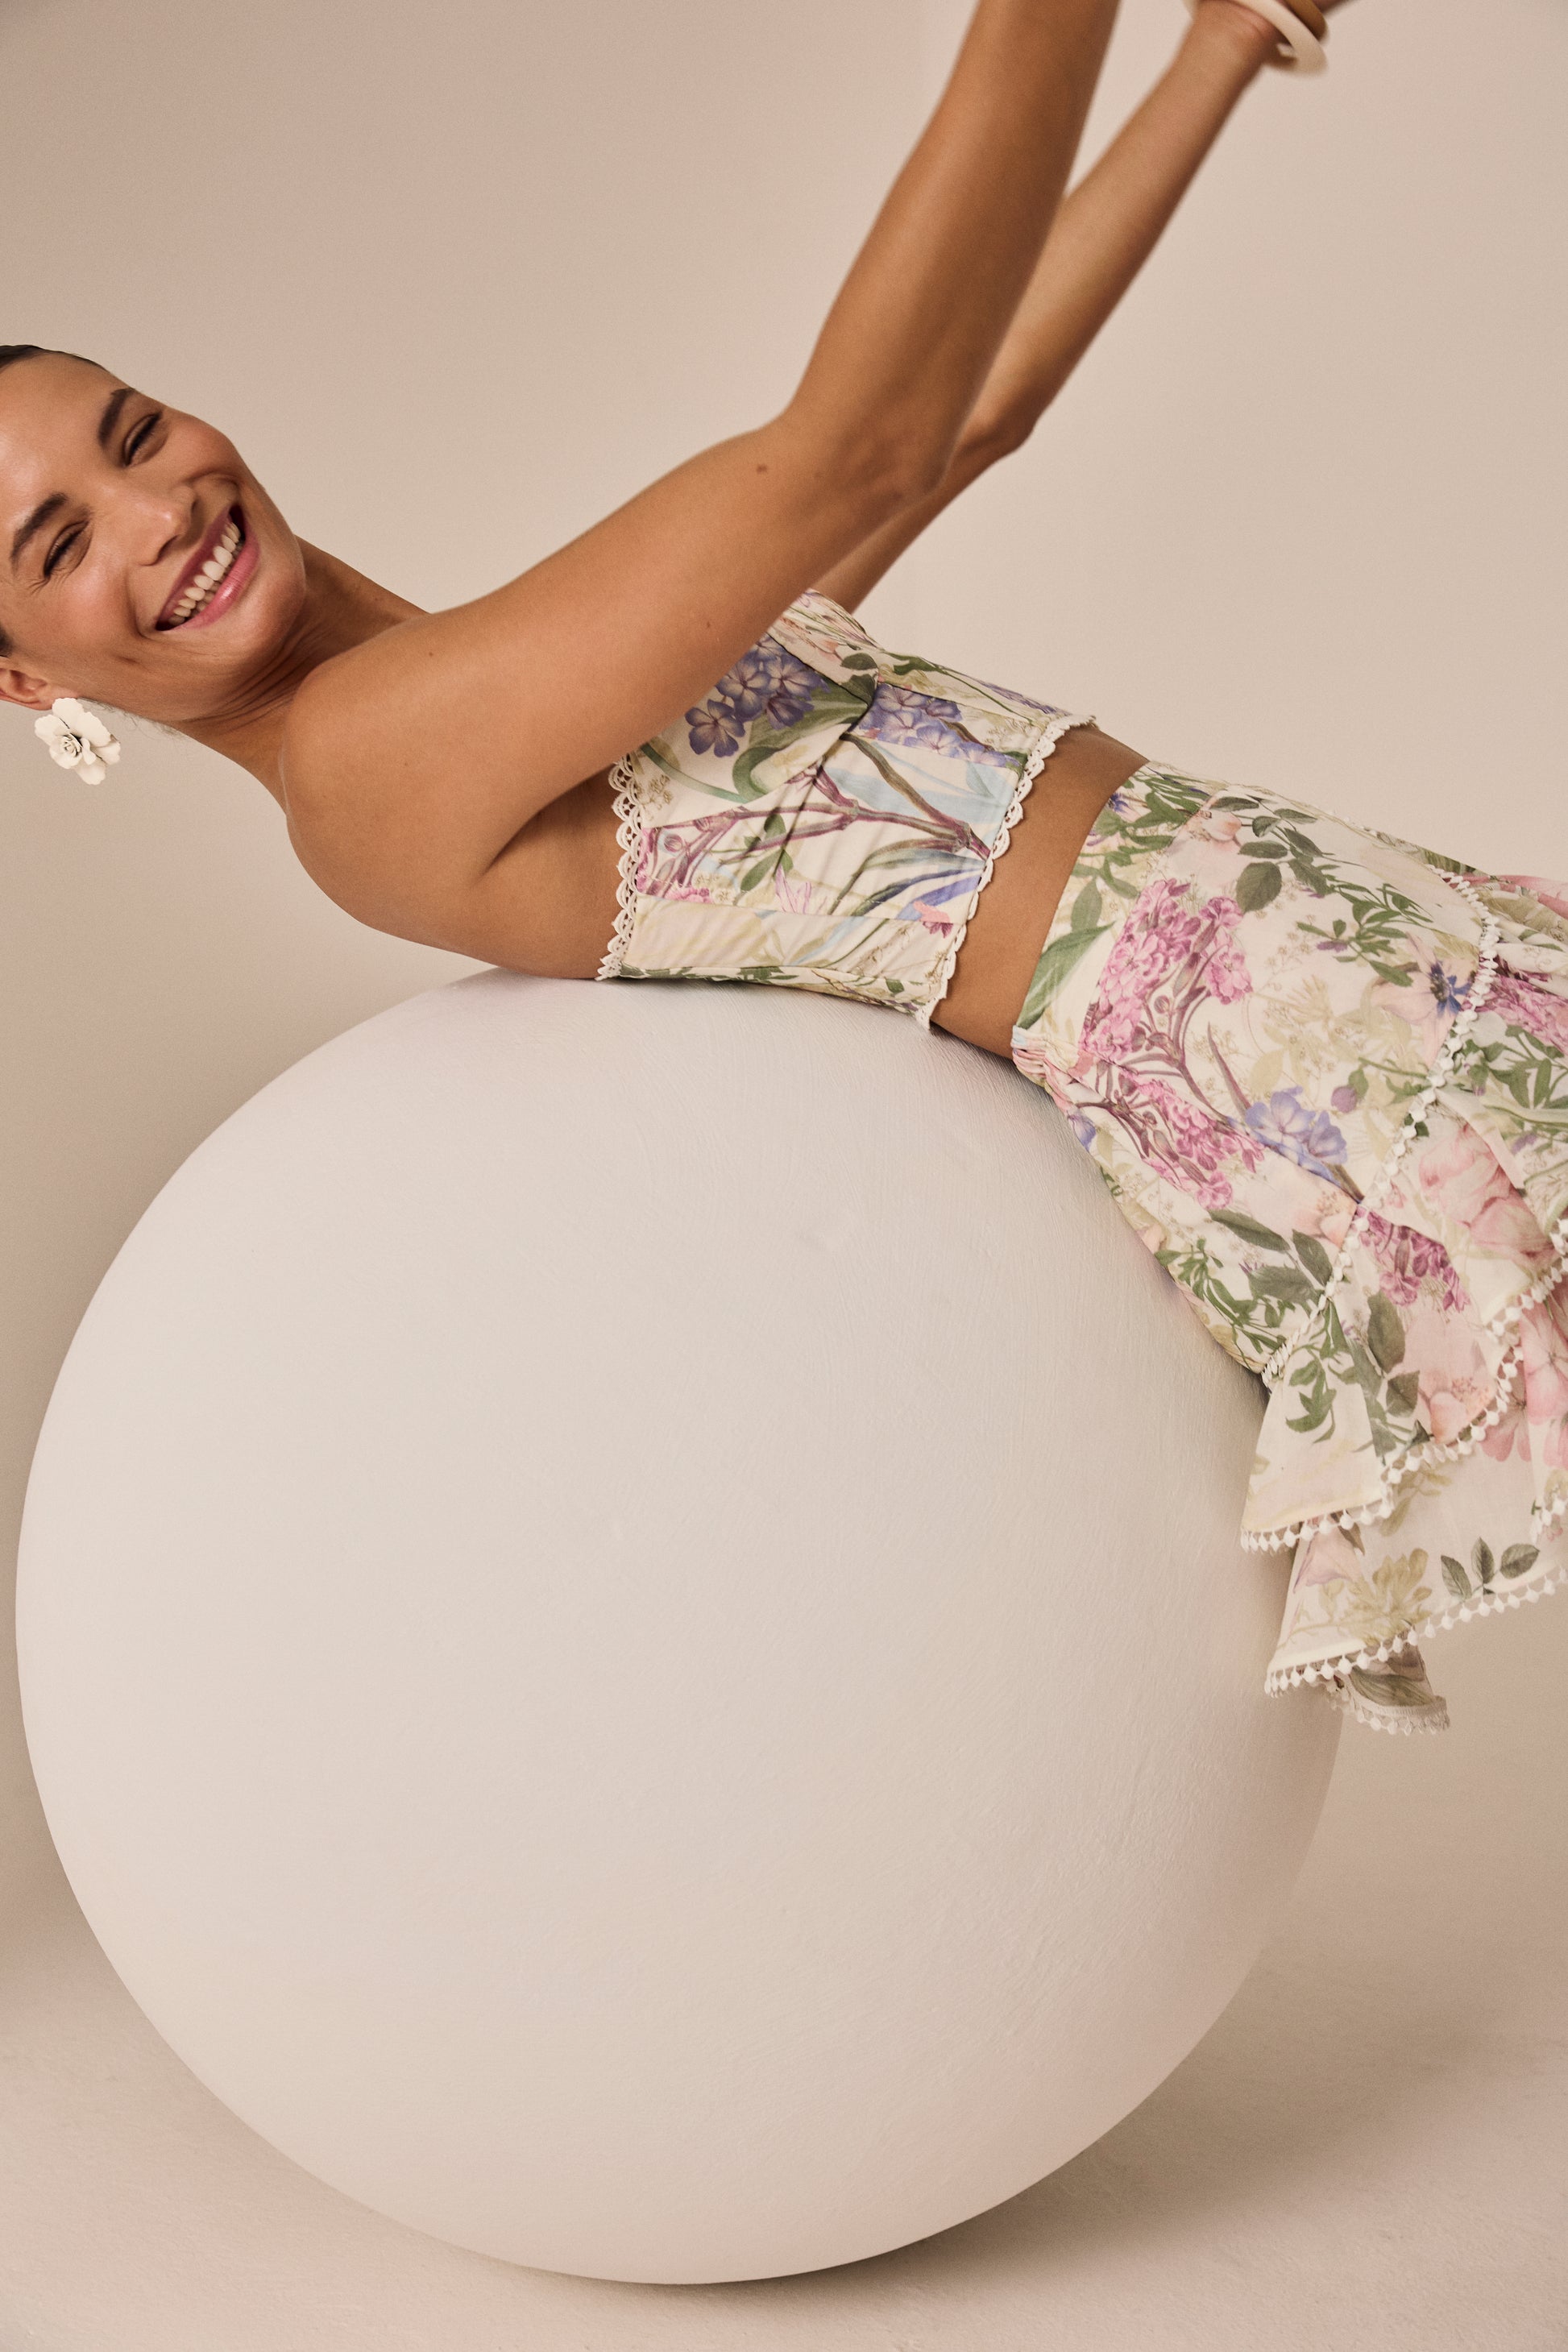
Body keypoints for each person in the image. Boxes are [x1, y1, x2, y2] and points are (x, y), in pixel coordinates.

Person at [3, 0, 1566, 1737]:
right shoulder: (361, 761)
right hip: (1295, 1048)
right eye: (57, 544)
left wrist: (1222, 43)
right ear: (24, 678)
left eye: (131, 434)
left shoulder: (494, 677)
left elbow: (963, 419)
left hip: (1349, 952)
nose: (157, 512)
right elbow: (857, 440)